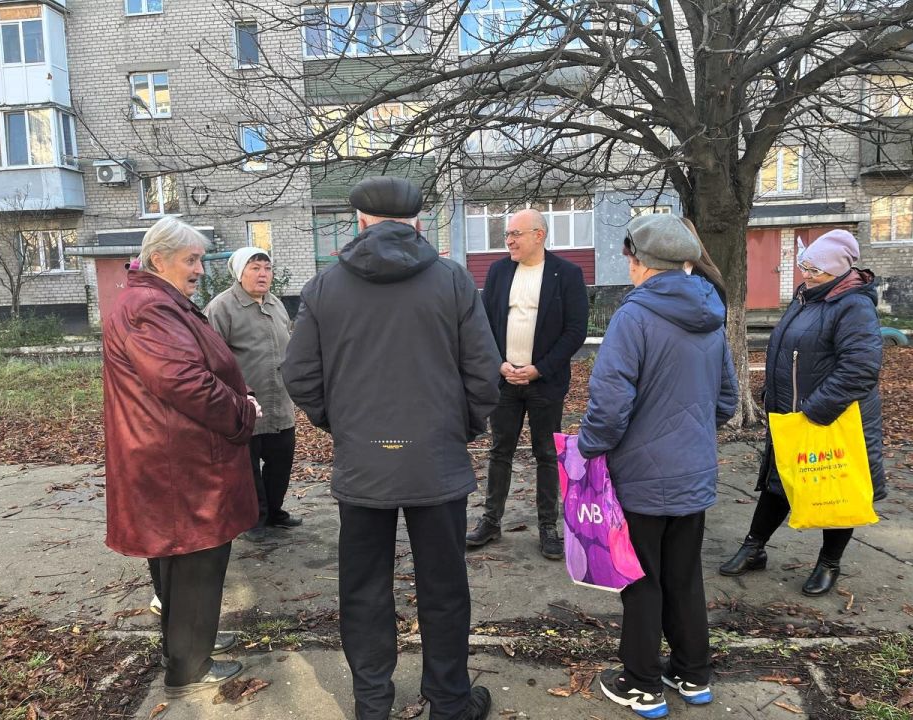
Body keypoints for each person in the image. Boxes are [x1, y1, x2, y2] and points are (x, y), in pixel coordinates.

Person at [282, 177, 501, 720]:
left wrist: (344, 426)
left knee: (363, 588)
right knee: (444, 586)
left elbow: (300, 375)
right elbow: (483, 375)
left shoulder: (325, 286)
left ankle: (372, 704)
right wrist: (458, 428)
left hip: (364, 462)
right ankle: (449, 703)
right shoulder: (452, 280)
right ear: (417, 222)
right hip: (436, 461)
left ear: (360, 221)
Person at [578, 214, 738, 718]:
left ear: (642, 261)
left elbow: (609, 405)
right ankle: (693, 674)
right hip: (693, 472)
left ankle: (642, 683)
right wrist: (689, 437)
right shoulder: (712, 313)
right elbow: (726, 400)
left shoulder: (634, 316)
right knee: (684, 576)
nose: (628, 266)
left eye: (629, 258)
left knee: (640, 578)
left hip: (640, 476)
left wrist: (588, 448)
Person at [103, 216, 261, 698]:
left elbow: (194, 369)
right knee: (196, 558)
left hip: (172, 456)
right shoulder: (151, 307)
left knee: (178, 557)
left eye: (200, 259)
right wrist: (242, 411)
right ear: (158, 260)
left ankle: (186, 645)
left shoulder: (154, 301)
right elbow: (184, 381)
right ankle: (189, 665)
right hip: (180, 463)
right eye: (191, 260)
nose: (199, 269)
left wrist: (240, 394)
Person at [720, 229, 886, 596]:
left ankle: (829, 562)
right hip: (794, 415)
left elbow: (860, 369)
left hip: (834, 419)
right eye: (805, 266)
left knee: (836, 488)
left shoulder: (854, 306)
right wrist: (773, 395)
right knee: (779, 481)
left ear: (838, 270)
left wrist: (815, 410)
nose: (806, 274)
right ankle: (754, 547)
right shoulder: (806, 298)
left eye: (815, 270)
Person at [465, 208, 589, 559]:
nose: (508, 240)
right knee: (499, 451)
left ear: (539, 235)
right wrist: (499, 363)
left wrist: (539, 369)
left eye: (515, 234)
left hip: (545, 382)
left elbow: (575, 330)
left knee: (546, 454)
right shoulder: (499, 271)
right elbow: (484, 324)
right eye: (507, 234)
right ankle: (491, 521)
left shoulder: (566, 274)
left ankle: (548, 527)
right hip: (505, 380)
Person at [205, 247, 300, 542]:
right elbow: (210, 358)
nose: (263, 274)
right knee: (247, 469)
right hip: (244, 405)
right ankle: (252, 519)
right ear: (239, 273)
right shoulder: (221, 308)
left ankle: (274, 512)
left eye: (267, 268)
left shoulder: (276, 304)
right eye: (255, 268)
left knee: (281, 460)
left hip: (279, 401)